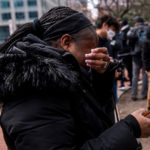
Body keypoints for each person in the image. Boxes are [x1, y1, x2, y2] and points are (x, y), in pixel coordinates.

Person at [0, 7, 150, 150]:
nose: (98, 53)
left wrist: (101, 78)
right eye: (91, 48)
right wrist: (131, 127)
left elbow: (91, 123)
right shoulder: (34, 90)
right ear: (66, 42)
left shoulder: (63, 76)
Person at [127, 16, 148, 100]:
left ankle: (134, 95)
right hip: (145, 55)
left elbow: (128, 43)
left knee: (135, 75)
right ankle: (144, 94)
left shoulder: (133, 30)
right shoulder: (147, 29)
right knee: (145, 75)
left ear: (136, 22)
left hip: (135, 55)